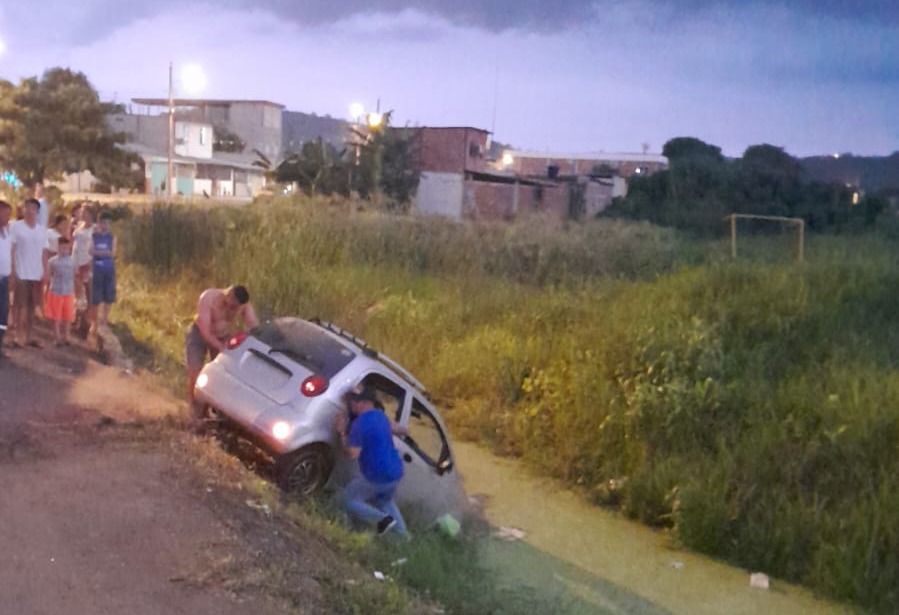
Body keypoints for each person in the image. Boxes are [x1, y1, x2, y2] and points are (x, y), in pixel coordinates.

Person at [334, 386, 409, 537]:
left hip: (376, 475)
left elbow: (352, 453)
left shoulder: (360, 424)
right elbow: (401, 430)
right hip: (395, 472)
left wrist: (342, 432)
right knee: (384, 502)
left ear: (365, 403)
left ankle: (383, 520)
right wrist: (403, 429)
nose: (352, 405)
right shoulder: (380, 416)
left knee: (346, 499)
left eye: (355, 402)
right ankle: (403, 536)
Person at [185, 285, 259, 421]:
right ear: (228, 294)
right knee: (195, 369)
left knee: (220, 374)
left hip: (223, 337)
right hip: (199, 333)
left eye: (235, 308)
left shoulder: (244, 307)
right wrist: (220, 347)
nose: (232, 309)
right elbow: (205, 330)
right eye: (231, 305)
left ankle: (208, 410)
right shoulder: (209, 298)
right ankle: (194, 409)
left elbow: (253, 326)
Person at [9, 198, 48, 348]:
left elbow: (44, 253)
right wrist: (13, 269)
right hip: (21, 272)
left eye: (32, 208)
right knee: (21, 306)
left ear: (37, 211)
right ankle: (18, 336)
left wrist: (46, 271)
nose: (29, 211)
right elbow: (12, 248)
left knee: (32, 307)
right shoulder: (16, 227)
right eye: (27, 207)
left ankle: (29, 336)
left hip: (36, 273)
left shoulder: (41, 230)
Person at [45, 237, 76, 346]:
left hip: (69, 291)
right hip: (56, 291)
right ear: (58, 248)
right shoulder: (52, 261)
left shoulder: (72, 261)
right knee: (56, 316)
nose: (64, 250)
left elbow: (75, 276)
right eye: (62, 248)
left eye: (66, 248)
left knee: (68, 316)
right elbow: (48, 276)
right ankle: (57, 337)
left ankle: (67, 336)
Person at [90, 211, 117, 331]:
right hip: (97, 269)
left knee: (108, 295)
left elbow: (113, 253)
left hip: (109, 269)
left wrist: (100, 253)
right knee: (96, 296)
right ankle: (95, 320)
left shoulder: (112, 237)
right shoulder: (94, 236)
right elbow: (90, 251)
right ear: (99, 223)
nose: (105, 226)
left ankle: (105, 319)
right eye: (103, 223)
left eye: (108, 223)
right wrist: (104, 253)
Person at [72, 205, 94, 316]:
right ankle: (78, 313)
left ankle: (88, 315)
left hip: (87, 260)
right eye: (81, 212)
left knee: (88, 289)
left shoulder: (94, 229)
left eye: (85, 212)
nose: (82, 214)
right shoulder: (79, 225)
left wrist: (90, 262)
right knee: (77, 288)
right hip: (76, 259)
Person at [0, 201, 12, 358]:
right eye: (4, 213)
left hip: (5, 278)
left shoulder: (7, 232)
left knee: (3, 313)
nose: (8, 217)